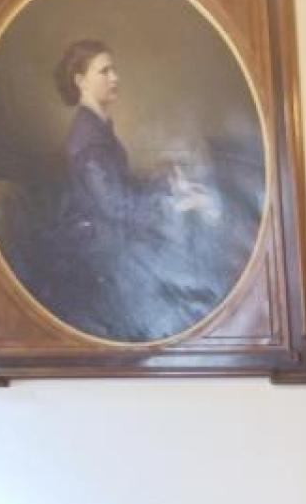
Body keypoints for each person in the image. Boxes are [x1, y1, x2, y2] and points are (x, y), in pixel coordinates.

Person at [43, 39, 234, 342]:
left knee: (196, 273)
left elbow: (119, 185)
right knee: (193, 288)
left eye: (114, 69)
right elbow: (117, 207)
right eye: (104, 71)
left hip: (113, 233)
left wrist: (167, 181)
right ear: (80, 81)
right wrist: (175, 202)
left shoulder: (97, 128)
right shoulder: (88, 140)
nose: (115, 77)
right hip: (103, 250)